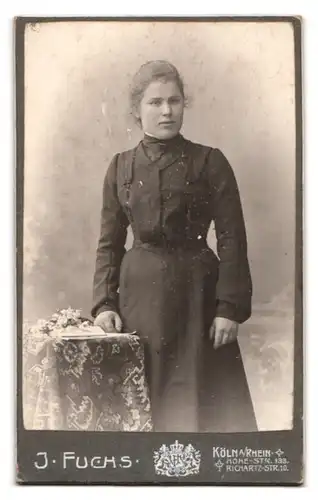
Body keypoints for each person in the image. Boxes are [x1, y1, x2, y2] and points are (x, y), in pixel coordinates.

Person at [91, 60, 257, 432]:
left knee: (203, 409)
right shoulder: (120, 167)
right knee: (146, 405)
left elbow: (232, 238)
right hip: (140, 302)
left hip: (197, 298)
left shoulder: (210, 162)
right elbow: (109, 243)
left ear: (184, 104)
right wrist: (104, 304)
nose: (166, 110)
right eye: (155, 102)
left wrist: (228, 308)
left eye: (174, 100)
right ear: (137, 109)